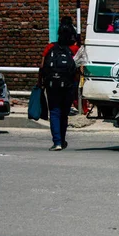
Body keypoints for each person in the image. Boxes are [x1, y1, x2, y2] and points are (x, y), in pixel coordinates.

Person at [39, 19, 80, 151]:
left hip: (52, 85)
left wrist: (40, 82)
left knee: (55, 112)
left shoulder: (50, 47)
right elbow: (81, 69)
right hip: (69, 85)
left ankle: (57, 142)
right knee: (64, 114)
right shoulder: (75, 49)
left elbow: (42, 66)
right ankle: (62, 140)